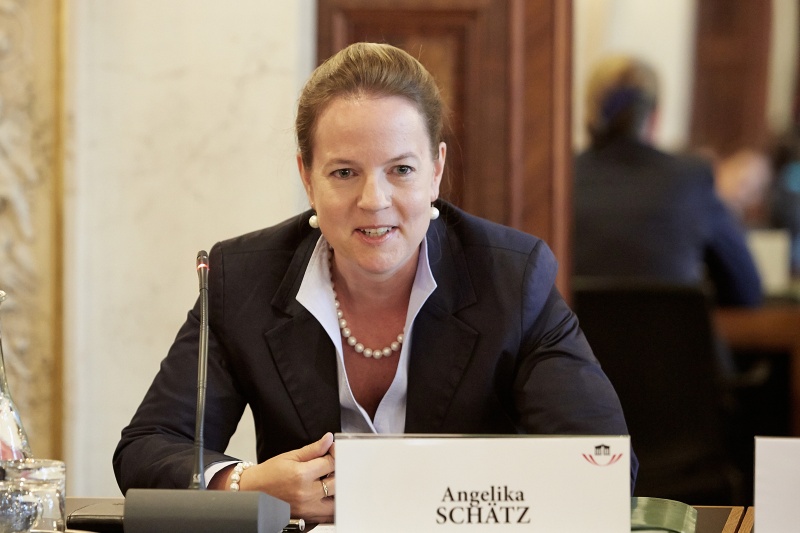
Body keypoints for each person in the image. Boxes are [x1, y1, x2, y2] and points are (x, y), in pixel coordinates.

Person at [113, 42, 636, 523]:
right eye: (344, 172)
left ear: (436, 170)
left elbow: (603, 466)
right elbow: (147, 447)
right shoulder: (241, 276)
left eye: (401, 169)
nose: (374, 200)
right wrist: (243, 484)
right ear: (306, 177)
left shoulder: (512, 276)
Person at [573, 55, 763, 308]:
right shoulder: (691, 179)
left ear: (590, 112)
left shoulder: (560, 182)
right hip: (676, 346)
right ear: (654, 118)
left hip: (576, 347)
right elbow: (746, 289)